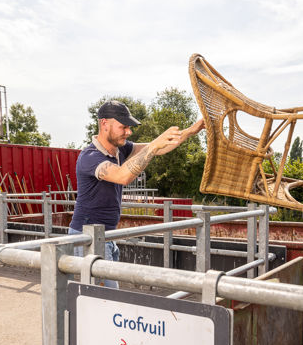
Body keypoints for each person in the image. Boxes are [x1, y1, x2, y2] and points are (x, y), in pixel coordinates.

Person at [69, 100, 204, 287]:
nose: (128, 132)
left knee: (103, 300)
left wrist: (192, 130)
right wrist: (153, 146)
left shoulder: (120, 149)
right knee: (105, 299)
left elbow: (159, 148)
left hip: (106, 235)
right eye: (123, 127)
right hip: (87, 236)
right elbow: (123, 175)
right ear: (104, 124)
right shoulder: (90, 157)